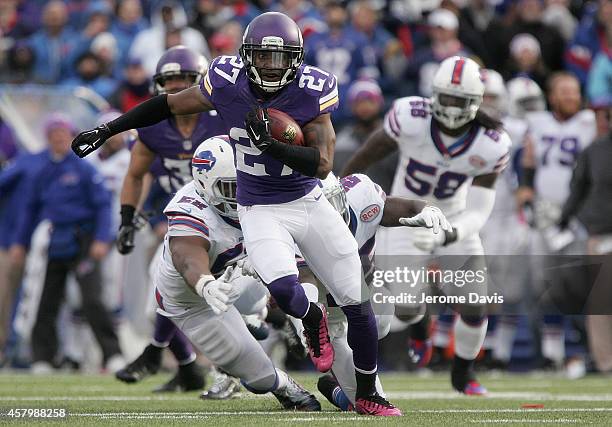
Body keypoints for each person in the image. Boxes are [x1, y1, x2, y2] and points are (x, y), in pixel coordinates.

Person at [71, 11, 400, 416]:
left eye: (280, 58)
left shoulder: (312, 90)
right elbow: (168, 105)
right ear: (247, 56)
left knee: (356, 299)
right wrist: (110, 129)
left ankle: (369, 393)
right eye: (262, 57)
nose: (271, 66)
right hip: (259, 205)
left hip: (306, 201)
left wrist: (274, 146)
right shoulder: (226, 81)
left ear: (296, 60)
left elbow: (323, 164)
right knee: (282, 289)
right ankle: (311, 317)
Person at [342, 56, 512, 395]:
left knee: (476, 303)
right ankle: (421, 325)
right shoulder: (410, 116)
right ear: (433, 95)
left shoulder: (492, 142)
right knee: (404, 307)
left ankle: (463, 374)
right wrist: (342, 183)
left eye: (459, 100)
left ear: (476, 103)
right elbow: (368, 153)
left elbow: (479, 210)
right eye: (445, 98)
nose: (450, 107)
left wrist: (452, 232)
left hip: (454, 220)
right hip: (406, 218)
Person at [153, 136, 320, 410]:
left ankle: (259, 313)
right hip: (194, 298)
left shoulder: (260, 196)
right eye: (232, 187)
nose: (243, 193)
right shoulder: (191, 209)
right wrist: (205, 283)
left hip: (235, 274)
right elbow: (187, 256)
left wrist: (306, 318)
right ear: (205, 184)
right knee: (258, 377)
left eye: (246, 183)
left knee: (277, 271)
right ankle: (284, 386)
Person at [113, 45, 225, 393]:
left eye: (185, 80)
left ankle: (165, 356)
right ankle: (187, 367)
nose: (176, 88)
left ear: (201, 83)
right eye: (169, 81)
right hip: (188, 215)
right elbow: (136, 175)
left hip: (231, 213)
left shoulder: (222, 115)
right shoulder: (153, 126)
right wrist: (128, 217)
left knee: (238, 300)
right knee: (159, 303)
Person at [299, 173, 450, 410]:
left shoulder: (361, 196)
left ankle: (419, 320)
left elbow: (402, 206)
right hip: (324, 307)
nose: (332, 215)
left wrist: (426, 209)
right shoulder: (297, 222)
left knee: (381, 323)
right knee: (363, 402)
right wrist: (305, 312)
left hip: (364, 286)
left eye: (334, 203)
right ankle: (338, 391)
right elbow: (303, 277)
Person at [10, 114, 123, 373]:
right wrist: (20, 242)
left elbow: (102, 205)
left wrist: (101, 239)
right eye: (54, 133)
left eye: (63, 133)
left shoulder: (84, 167)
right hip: (55, 239)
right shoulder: (43, 171)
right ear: (47, 138)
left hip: (83, 240)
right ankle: (43, 358)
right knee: (46, 299)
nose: (59, 138)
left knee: (91, 298)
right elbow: (30, 209)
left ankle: (112, 354)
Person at [517, 71, 597, 371]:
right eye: (565, 91)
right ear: (552, 96)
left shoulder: (589, 122)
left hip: (577, 215)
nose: (571, 97)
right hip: (544, 213)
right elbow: (527, 161)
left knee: (577, 286)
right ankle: (552, 355)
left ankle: (587, 351)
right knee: (543, 286)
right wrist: (525, 188)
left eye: (575, 91)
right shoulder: (537, 123)